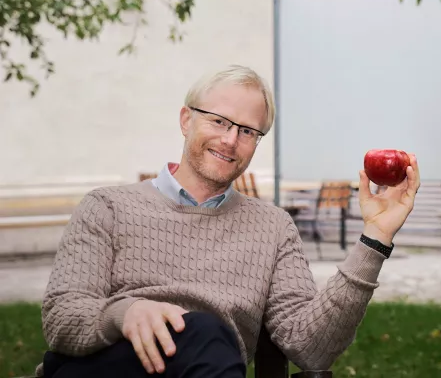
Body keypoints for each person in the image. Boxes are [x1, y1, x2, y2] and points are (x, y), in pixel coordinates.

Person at [36, 65, 420, 378]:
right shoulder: (107, 207)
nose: (231, 140)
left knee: (207, 335)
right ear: (186, 120)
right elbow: (62, 318)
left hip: (209, 368)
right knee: (204, 331)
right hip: (103, 366)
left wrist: (376, 236)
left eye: (248, 131)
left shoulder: (272, 227)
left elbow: (310, 348)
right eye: (219, 121)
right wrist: (127, 312)